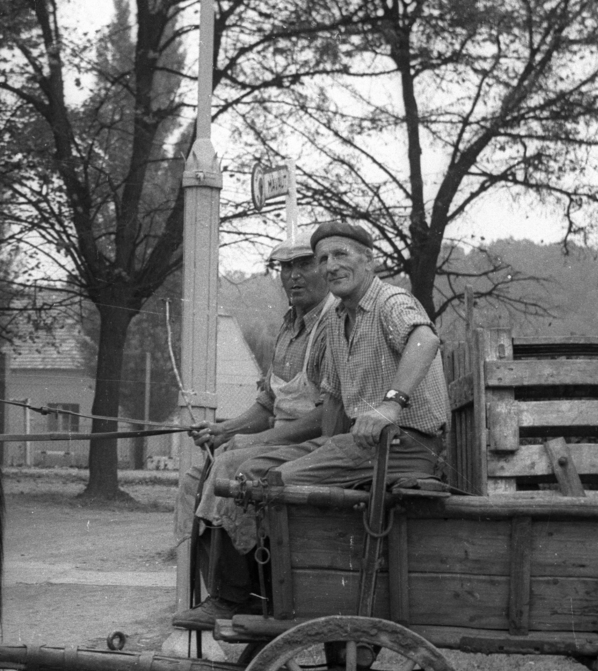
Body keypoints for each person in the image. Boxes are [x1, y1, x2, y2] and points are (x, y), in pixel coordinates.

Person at [172, 221, 448, 631]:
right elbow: (334, 403)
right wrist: (294, 445)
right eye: (324, 259)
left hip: (404, 447)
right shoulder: (338, 321)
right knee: (245, 470)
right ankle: (239, 597)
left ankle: (260, 598)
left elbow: (425, 339)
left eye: (341, 255)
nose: (331, 266)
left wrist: (391, 405)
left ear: (368, 260)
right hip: (358, 447)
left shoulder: (390, 301)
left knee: (274, 483)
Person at [178, 241, 336, 625]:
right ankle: (227, 588)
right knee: (191, 482)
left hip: (315, 446)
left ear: (326, 270)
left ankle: (235, 597)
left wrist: (255, 441)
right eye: (285, 268)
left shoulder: (333, 326)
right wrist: (224, 428)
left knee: (232, 466)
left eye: (303, 265)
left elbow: (325, 417)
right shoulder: (287, 329)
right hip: (279, 441)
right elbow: (268, 405)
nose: (293, 276)